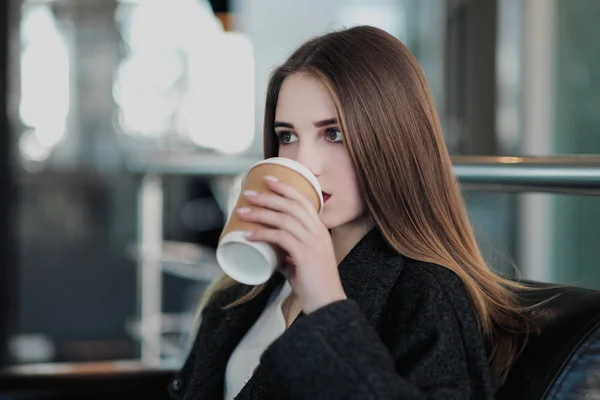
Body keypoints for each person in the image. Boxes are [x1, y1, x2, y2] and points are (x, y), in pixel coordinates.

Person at [168, 25, 534, 400]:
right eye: (287, 136)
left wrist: (325, 300)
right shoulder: (255, 284)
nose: (305, 162)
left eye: (333, 134)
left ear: (390, 141)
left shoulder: (426, 293)